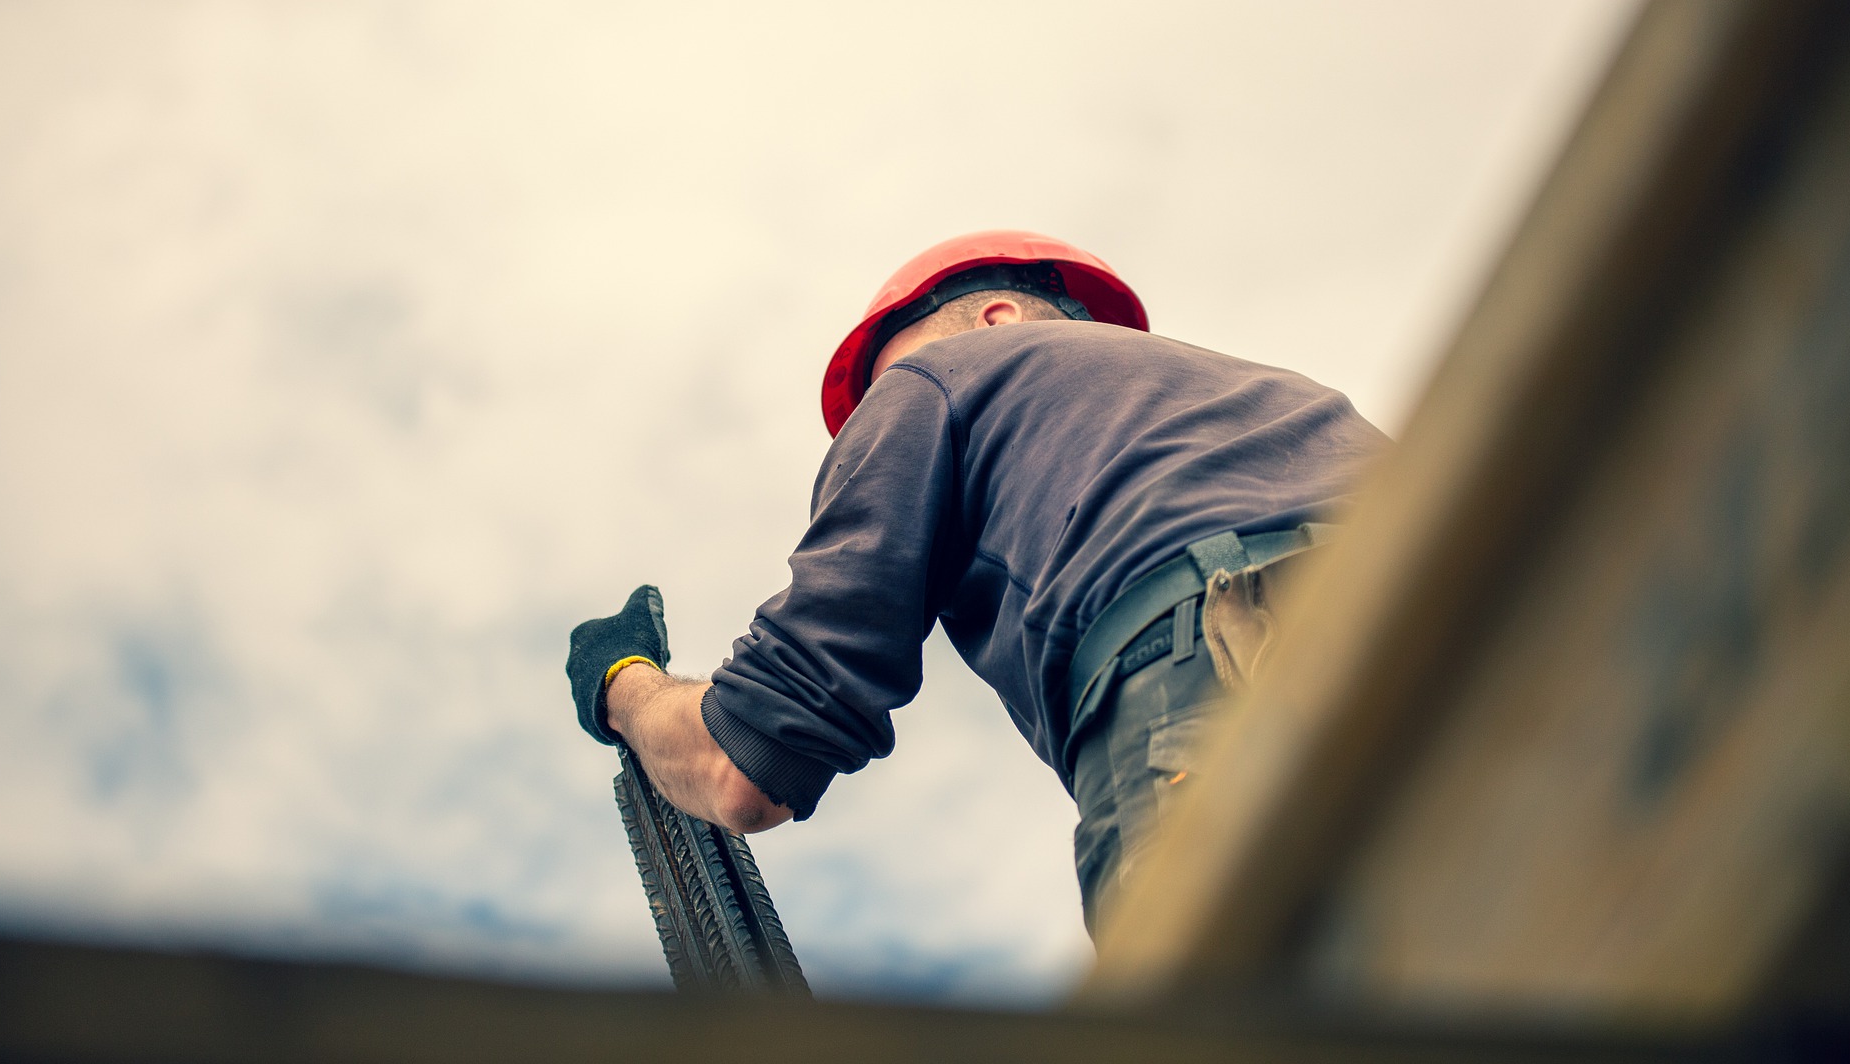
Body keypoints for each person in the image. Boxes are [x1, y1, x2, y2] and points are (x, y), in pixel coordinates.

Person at [566, 230, 1388, 935]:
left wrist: (622, 683)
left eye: (886, 376)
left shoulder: (950, 375)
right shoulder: (1288, 398)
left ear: (996, 316)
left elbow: (744, 764)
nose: (875, 414)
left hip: (1218, 662)